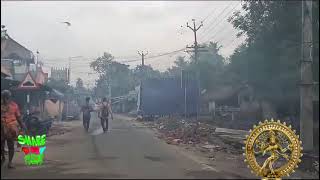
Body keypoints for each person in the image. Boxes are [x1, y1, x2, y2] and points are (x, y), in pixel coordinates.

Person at [1, 90, 27, 168]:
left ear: (9, 97)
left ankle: (10, 162)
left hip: (11, 129)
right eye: (4, 97)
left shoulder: (14, 106)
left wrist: (22, 126)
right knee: (1, 146)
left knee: (11, 145)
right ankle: (3, 157)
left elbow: (18, 117)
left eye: (7, 97)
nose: (5, 99)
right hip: (1, 128)